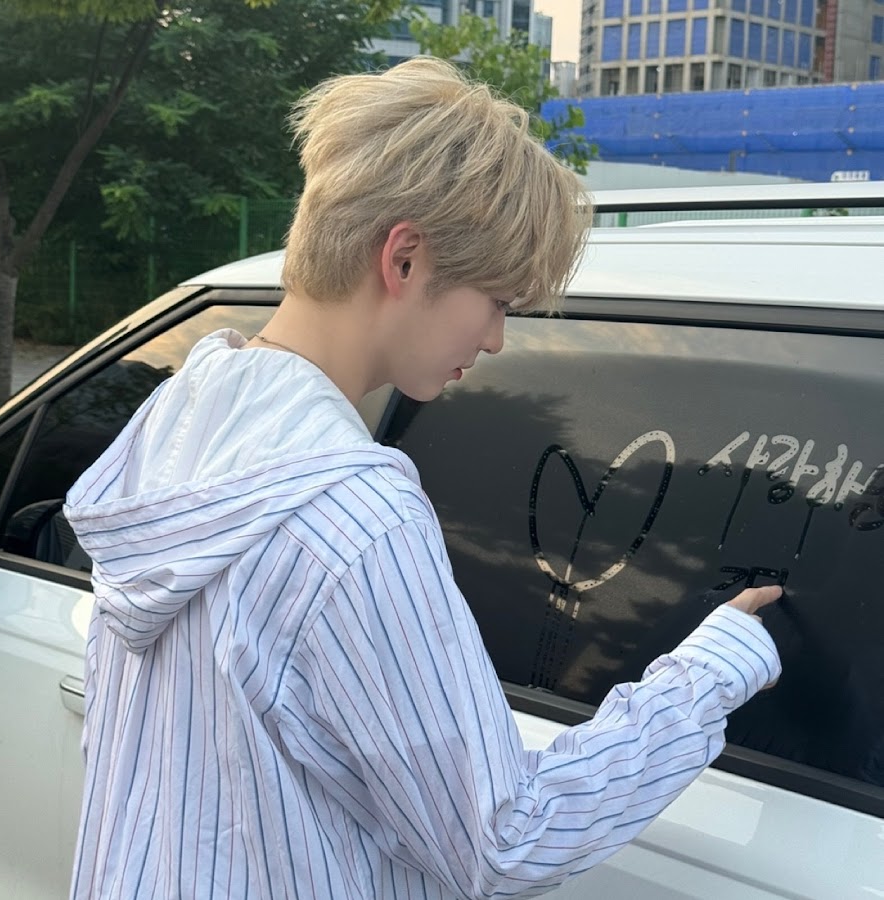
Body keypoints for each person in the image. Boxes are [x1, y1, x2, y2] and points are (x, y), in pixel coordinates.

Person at [63, 57, 781, 899]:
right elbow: (505, 839)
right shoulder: (355, 519)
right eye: (499, 301)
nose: (498, 339)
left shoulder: (179, 418)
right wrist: (708, 674)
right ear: (404, 259)